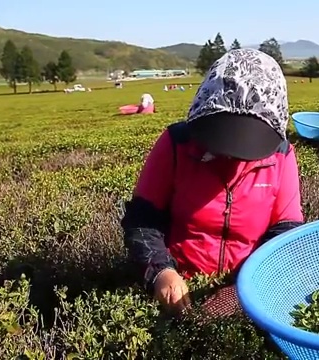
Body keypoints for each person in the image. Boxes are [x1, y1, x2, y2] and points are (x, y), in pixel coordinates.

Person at [121, 48, 305, 314]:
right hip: (179, 284)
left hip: (248, 289)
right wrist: (161, 272)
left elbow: (285, 232)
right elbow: (142, 220)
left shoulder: (281, 155)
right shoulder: (176, 144)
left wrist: (243, 290)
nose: (230, 155)